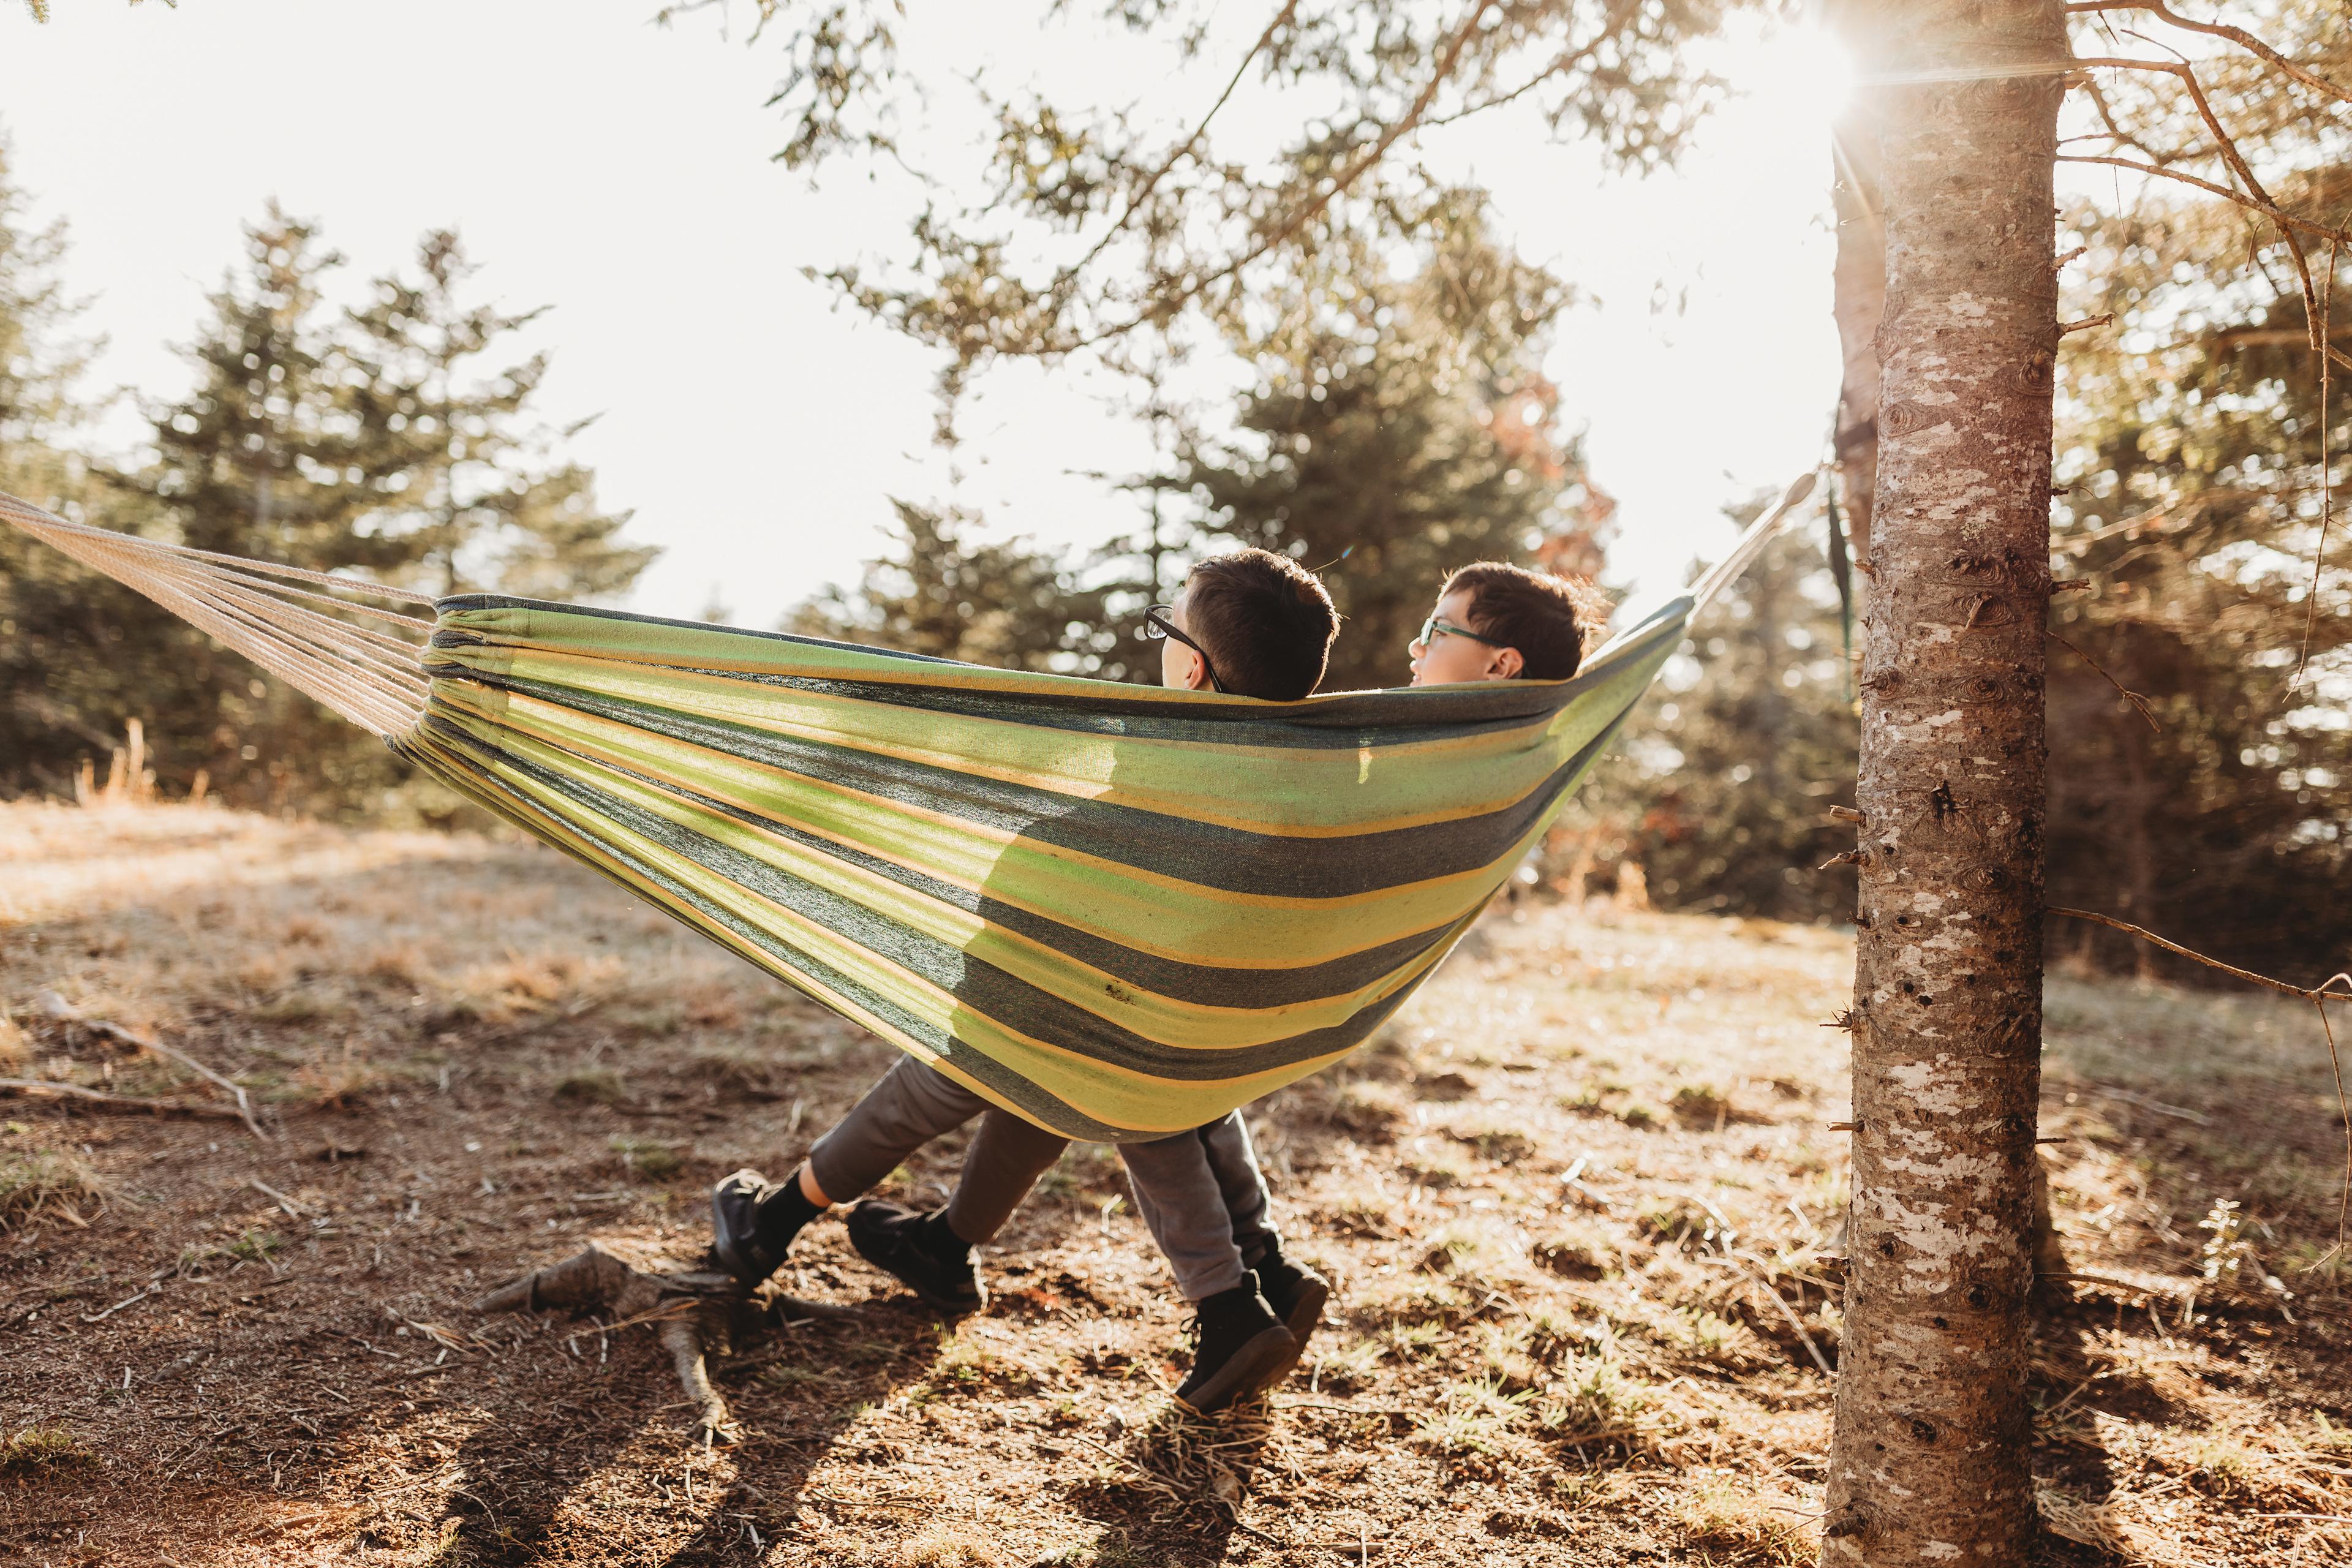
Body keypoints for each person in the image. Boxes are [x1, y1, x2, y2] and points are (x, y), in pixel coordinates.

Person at [706, 548, 1343, 1412]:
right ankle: (958, 1247)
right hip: (1182, 1019)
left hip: (1106, 1017)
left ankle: (774, 1221)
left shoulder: (1163, 777)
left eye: (1165, 628)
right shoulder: (1308, 781)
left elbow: (1043, 882)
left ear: (1192, 669)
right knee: (1058, 1073)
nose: (1158, 642)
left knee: (965, 1074)